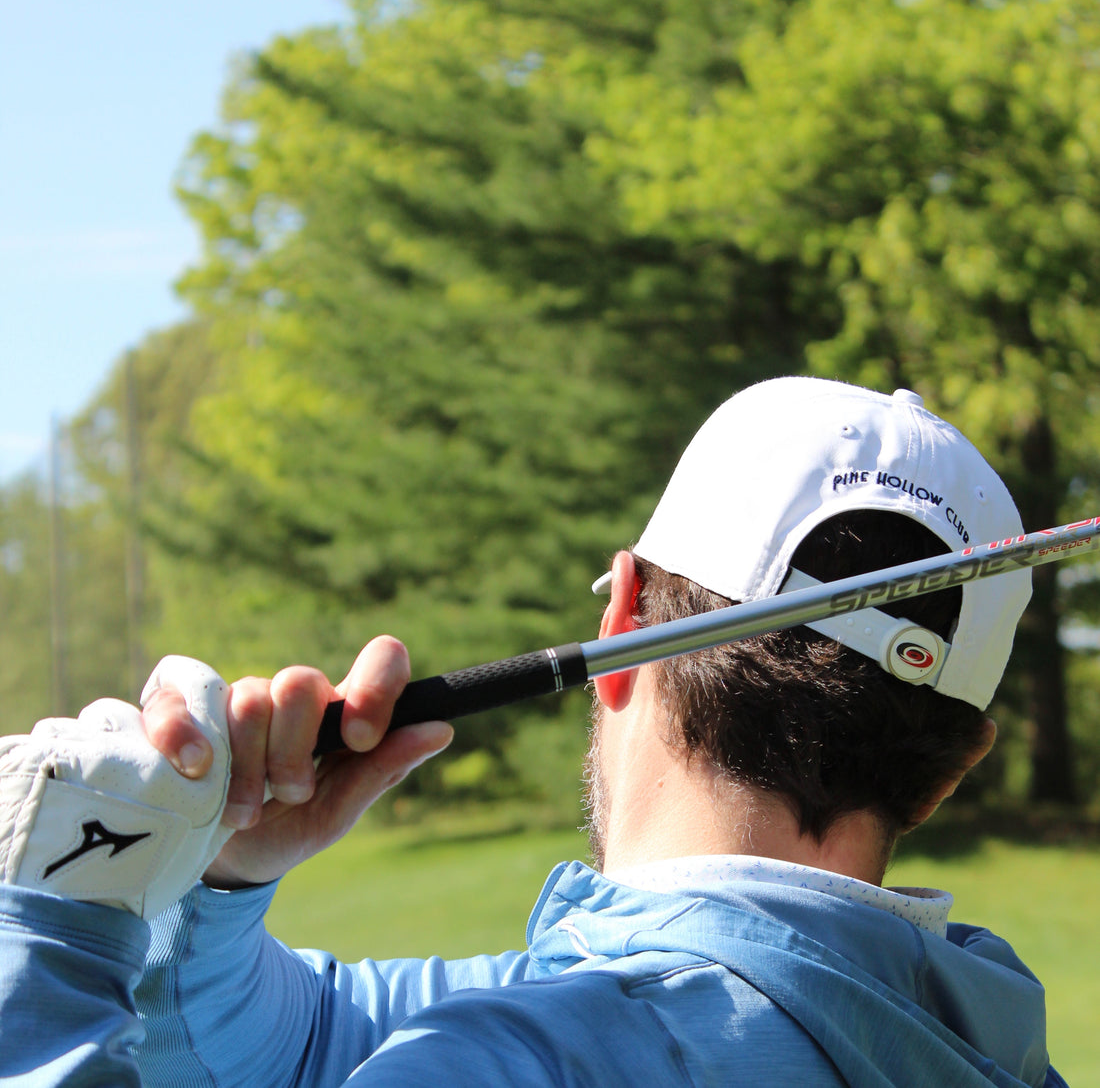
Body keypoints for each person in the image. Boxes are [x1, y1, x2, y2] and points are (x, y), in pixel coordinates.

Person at [0, 377, 1068, 1086]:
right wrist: (215, 884)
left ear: (617, 619)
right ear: (952, 765)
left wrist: (56, 925)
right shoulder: (979, 1037)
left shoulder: (527, 1053)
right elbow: (306, 1043)